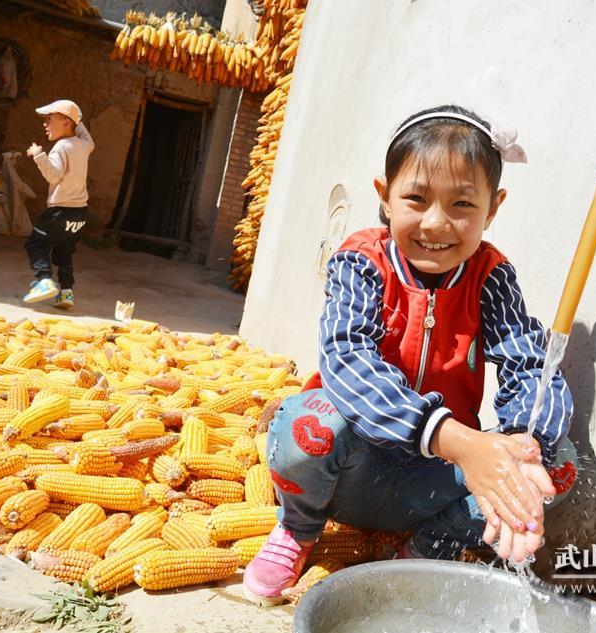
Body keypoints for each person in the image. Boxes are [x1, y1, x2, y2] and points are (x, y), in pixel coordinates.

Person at [242, 105, 577, 606]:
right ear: (385, 197)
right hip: (353, 469)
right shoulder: (361, 262)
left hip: (431, 486)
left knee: (559, 463)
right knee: (304, 426)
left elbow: (528, 363)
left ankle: (423, 549)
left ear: (494, 207)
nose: (436, 224)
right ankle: (299, 527)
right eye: (416, 199)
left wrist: (527, 448)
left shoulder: (491, 277)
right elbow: (347, 359)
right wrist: (453, 439)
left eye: (462, 204)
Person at [22, 99, 94, 308]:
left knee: (36, 244)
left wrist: (39, 155)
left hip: (59, 212)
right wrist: (75, 118)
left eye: (49, 119)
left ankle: (44, 280)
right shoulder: (85, 145)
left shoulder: (60, 148)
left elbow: (53, 176)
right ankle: (66, 292)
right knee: (64, 251)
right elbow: (82, 131)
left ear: (65, 122)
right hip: (80, 214)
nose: (45, 124)